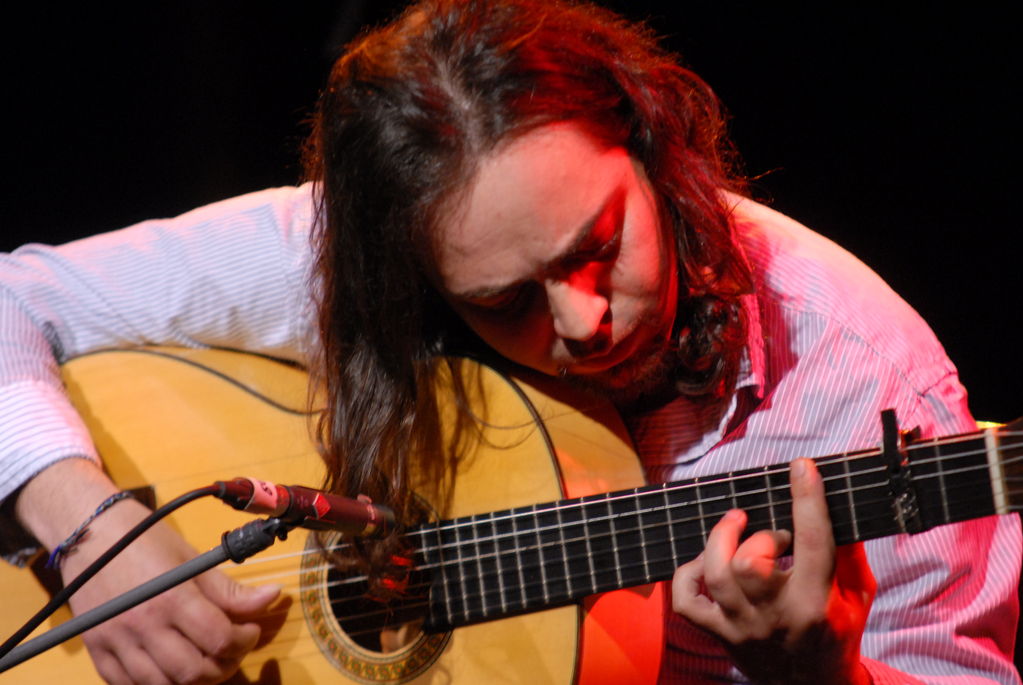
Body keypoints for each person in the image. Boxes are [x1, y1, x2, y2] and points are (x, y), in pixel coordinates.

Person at [0, 0, 1019, 683]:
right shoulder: (372, 251)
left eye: (599, 246)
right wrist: (89, 536)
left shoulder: (869, 381)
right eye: (503, 302)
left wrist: (823, 677)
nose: (582, 321)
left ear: (649, 144)